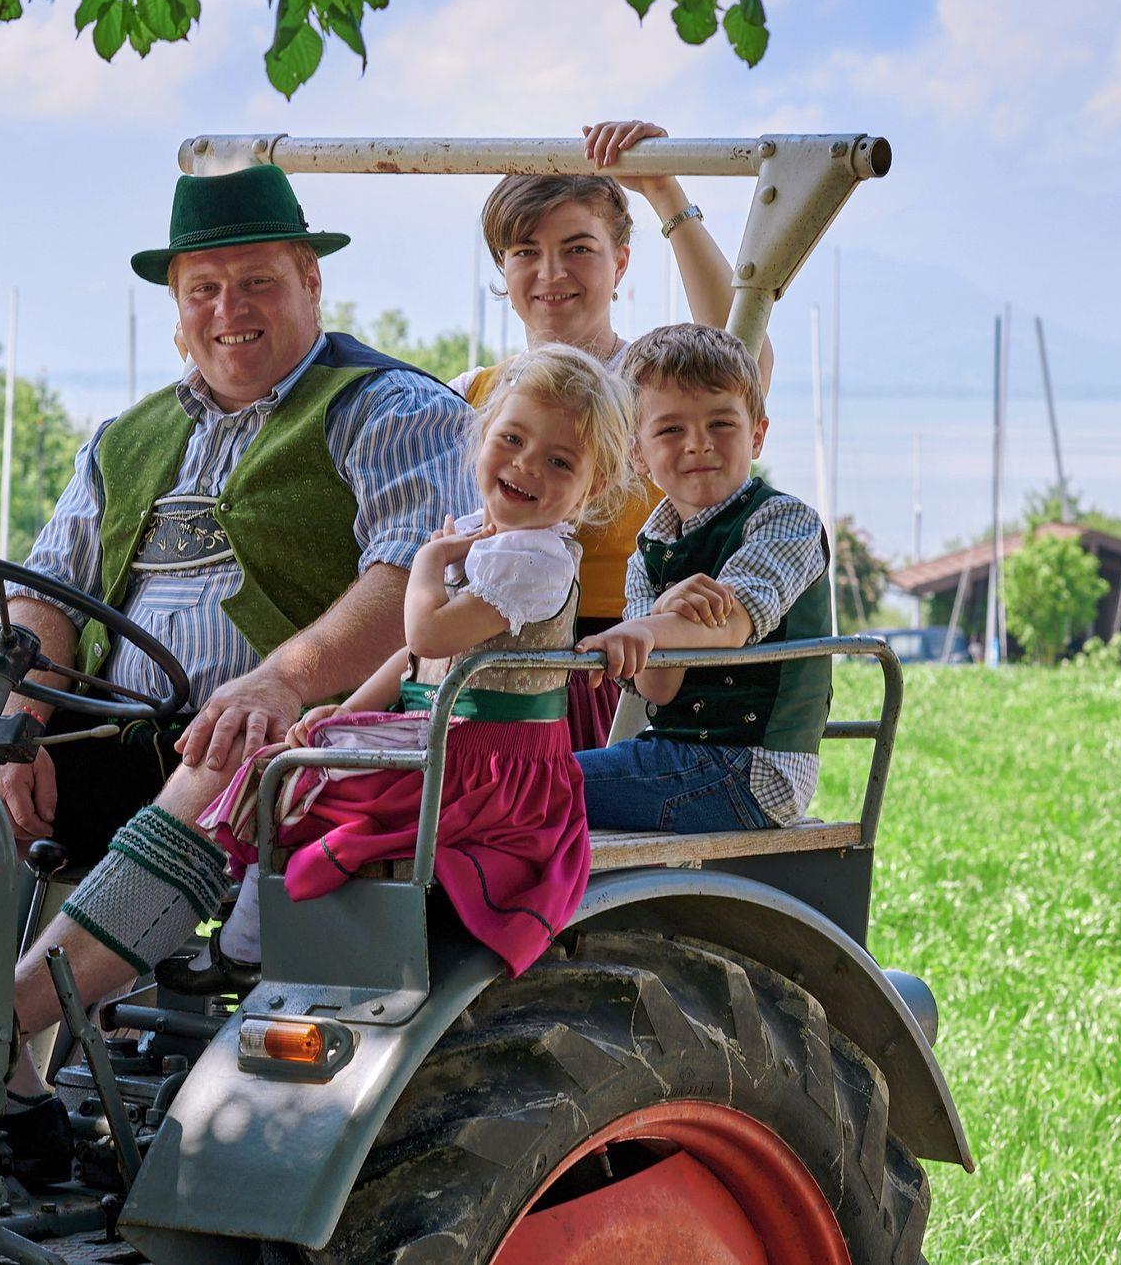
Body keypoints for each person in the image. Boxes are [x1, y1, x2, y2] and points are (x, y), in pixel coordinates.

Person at [0, 164, 473, 1108]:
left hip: (304, 746)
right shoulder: (123, 438)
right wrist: (15, 729)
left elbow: (406, 584)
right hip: (118, 731)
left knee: (225, 745)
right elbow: (48, 594)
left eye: (257, 282)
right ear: (177, 308)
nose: (228, 309)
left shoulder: (395, 410)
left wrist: (281, 679)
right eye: (203, 288)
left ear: (311, 281)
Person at [172, 344, 635, 991]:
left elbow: (426, 631)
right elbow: (418, 656)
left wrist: (425, 562)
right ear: (482, 437)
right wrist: (347, 709)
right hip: (450, 742)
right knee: (287, 763)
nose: (527, 465)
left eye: (560, 462)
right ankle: (242, 929)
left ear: (595, 486)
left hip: (493, 766)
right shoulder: (484, 537)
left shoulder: (534, 560)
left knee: (312, 791)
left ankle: (247, 948)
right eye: (511, 439)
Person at [450, 119, 774, 749]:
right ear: (503, 268)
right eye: (525, 252)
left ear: (620, 261)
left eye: (578, 249)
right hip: (484, 674)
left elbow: (745, 356)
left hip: (608, 673)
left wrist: (663, 189)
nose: (551, 272)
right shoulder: (472, 394)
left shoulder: (649, 384)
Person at [575, 324, 832, 833]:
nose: (698, 444)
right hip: (679, 752)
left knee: (536, 789)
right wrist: (659, 614)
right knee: (528, 784)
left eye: (721, 424)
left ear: (756, 434)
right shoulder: (649, 550)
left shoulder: (784, 522)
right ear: (637, 453)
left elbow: (730, 624)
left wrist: (645, 629)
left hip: (752, 767)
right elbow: (658, 687)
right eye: (671, 430)